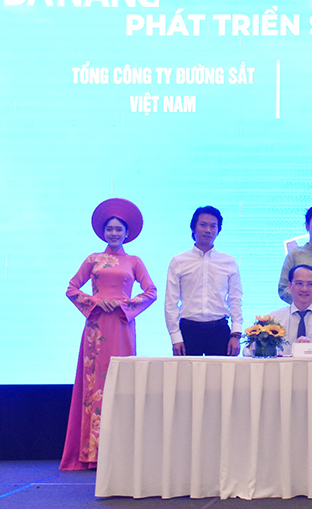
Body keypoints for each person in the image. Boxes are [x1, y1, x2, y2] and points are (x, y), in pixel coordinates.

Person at [61, 198, 157, 471]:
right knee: (95, 385)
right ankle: (92, 452)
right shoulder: (92, 259)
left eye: (119, 229)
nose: (114, 233)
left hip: (122, 325)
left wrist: (122, 304)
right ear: (104, 232)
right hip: (97, 327)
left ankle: (121, 452)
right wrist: (93, 302)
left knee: (122, 382)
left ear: (127, 233)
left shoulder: (134, 261)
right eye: (110, 229)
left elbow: (151, 292)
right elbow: (71, 288)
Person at [165, 206, 243, 356]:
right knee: (188, 378)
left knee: (220, 379)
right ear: (193, 227)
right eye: (203, 225)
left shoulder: (229, 261)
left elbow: (235, 299)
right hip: (189, 331)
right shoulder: (178, 261)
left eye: (213, 226)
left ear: (218, 230)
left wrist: (236, 334)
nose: (208, 230)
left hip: (219, 330)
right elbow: (171, 302)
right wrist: (175, 337)